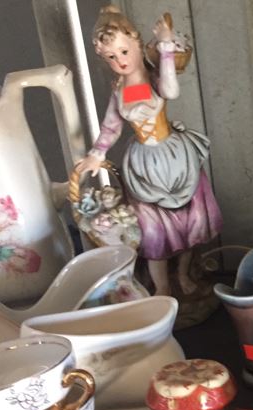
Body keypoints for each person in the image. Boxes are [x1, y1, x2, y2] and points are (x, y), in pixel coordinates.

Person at [75, 5, 222, 296]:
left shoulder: (156, 78)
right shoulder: (119, 91)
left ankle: (183, 275)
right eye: (112, 57)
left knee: (187, 224)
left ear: (137, 44)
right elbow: (111, 126)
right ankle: (162, 286)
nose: (120, 61)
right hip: (143, 166)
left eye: (124, 52)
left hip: (174, 158)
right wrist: (97, 152)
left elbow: (171, 90)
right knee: (153, 232)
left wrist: (166, 47)